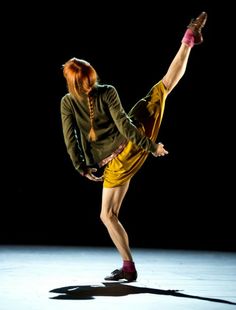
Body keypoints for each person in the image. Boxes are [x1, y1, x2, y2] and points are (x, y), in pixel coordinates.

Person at [60, 11, 207, 282]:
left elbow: (72, 142)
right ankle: (188, 39)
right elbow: (126, 126)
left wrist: (82, 168)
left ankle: (128, 267)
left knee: (107, 215)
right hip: (137, 136)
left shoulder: (67, 102)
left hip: (121, 158)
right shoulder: (108, 90)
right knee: (164, 85)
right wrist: (148, 145)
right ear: (91, 77)